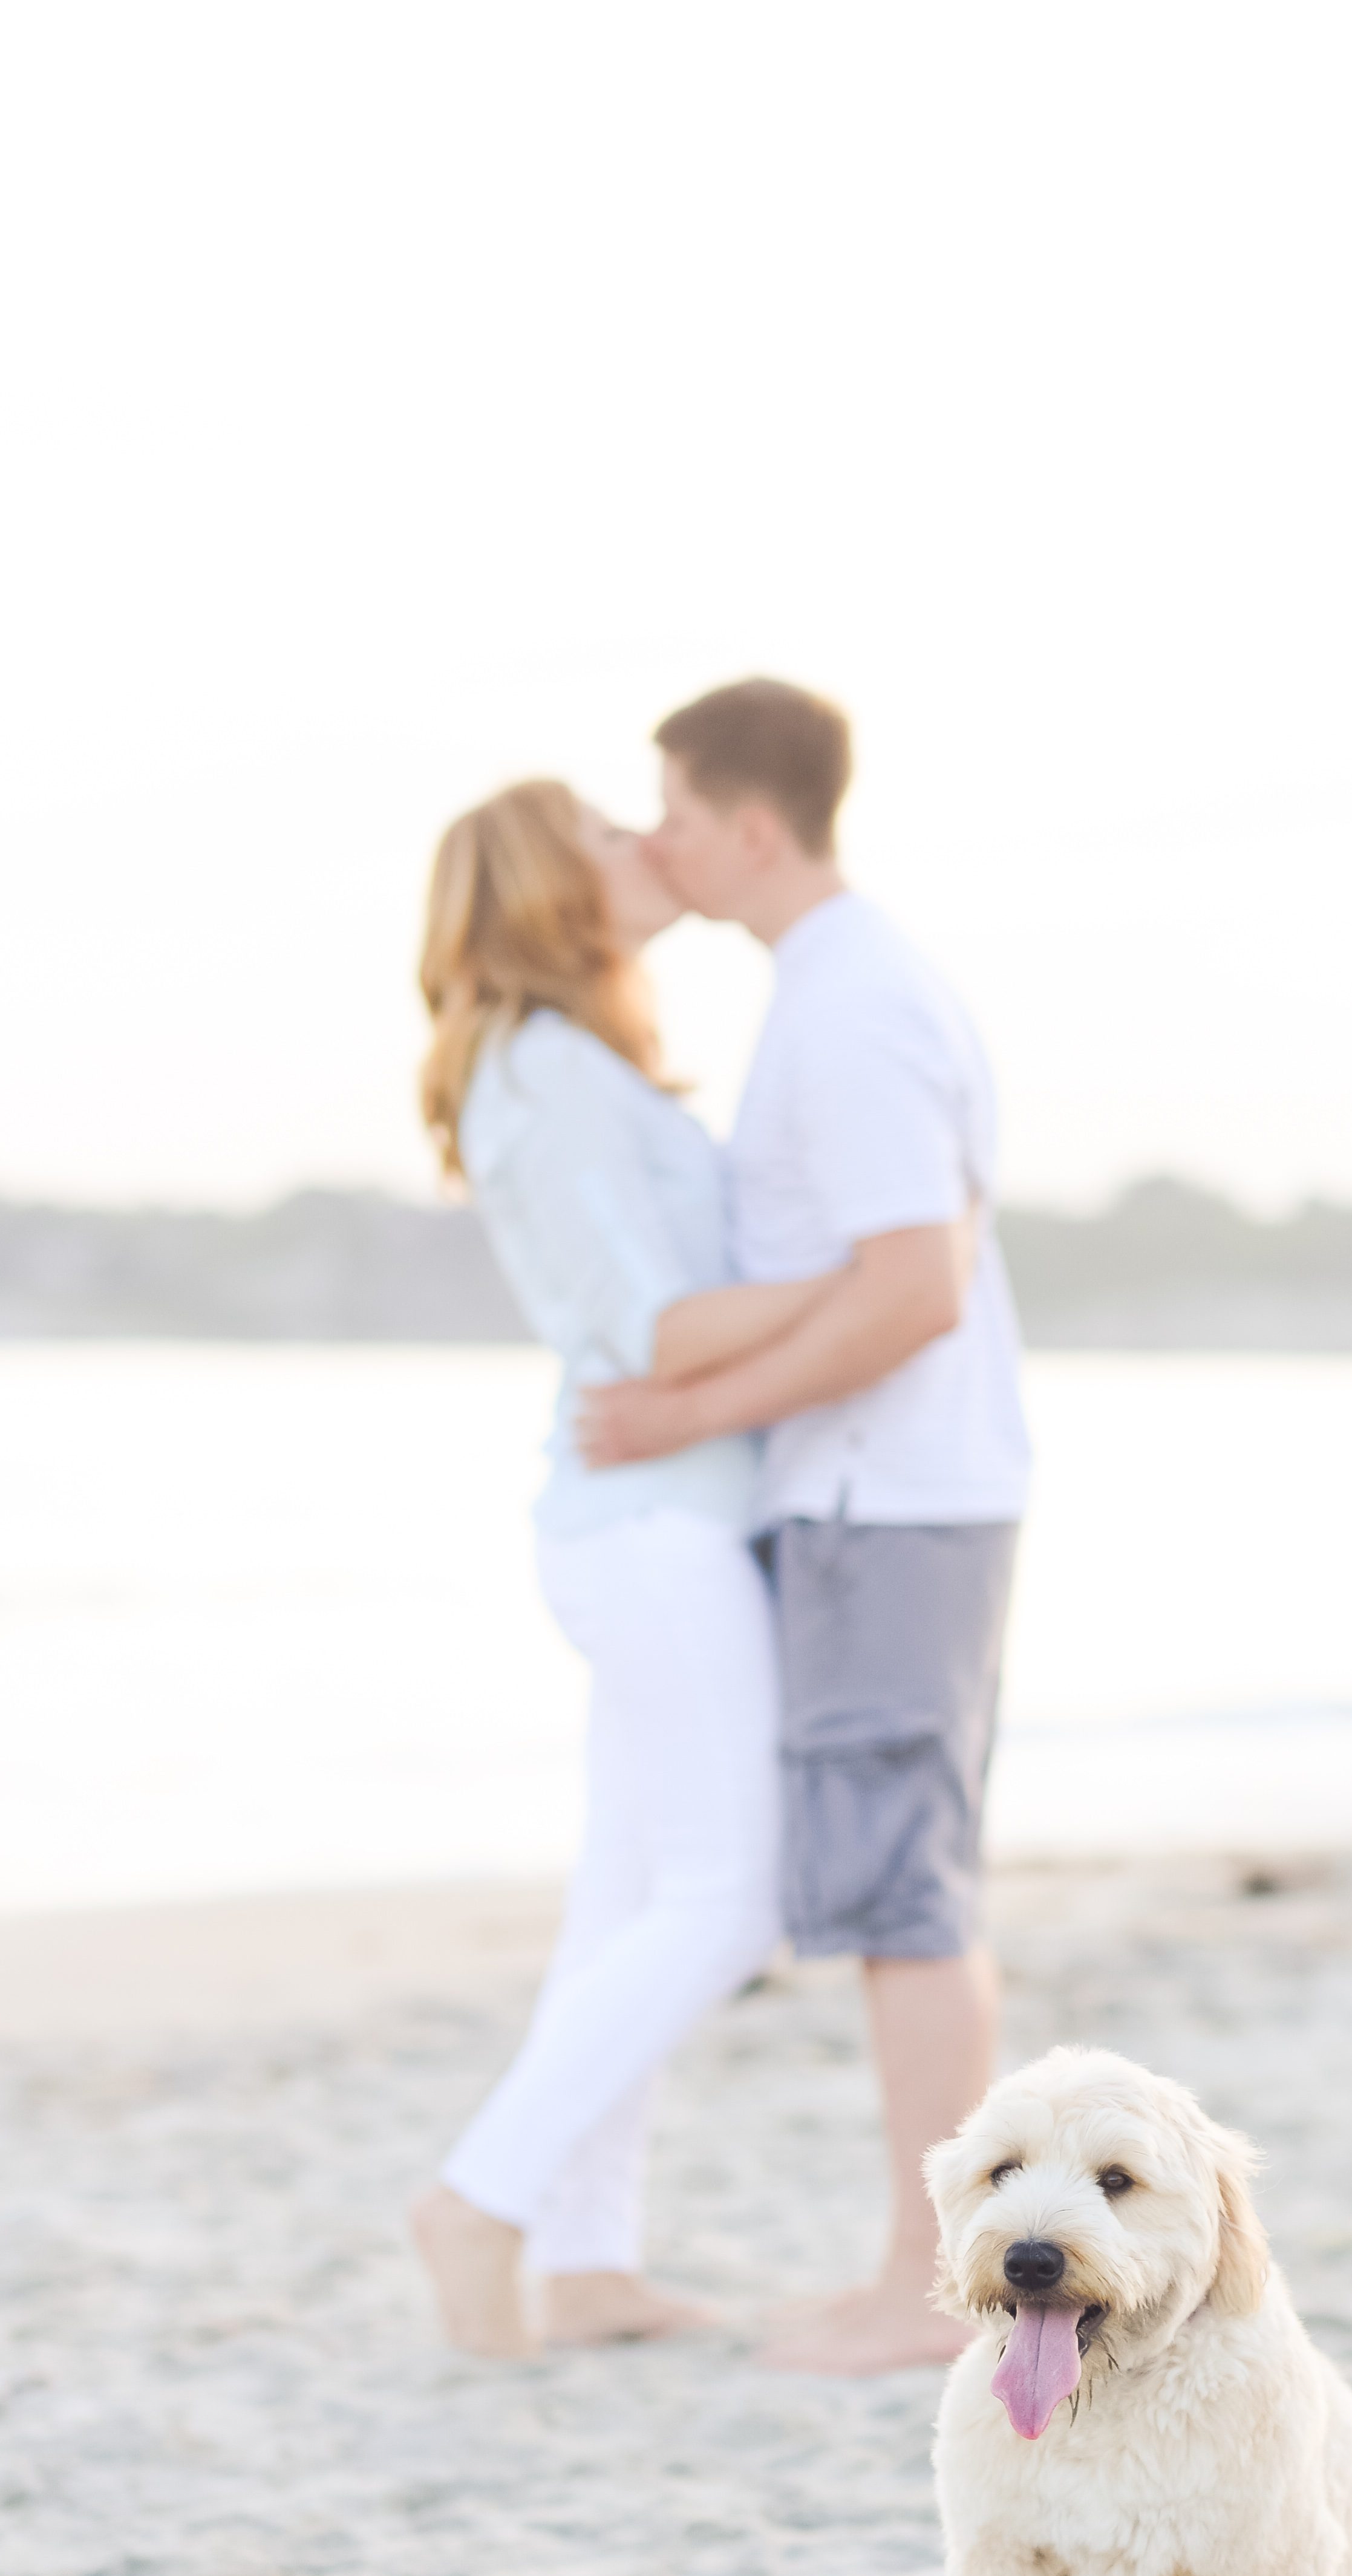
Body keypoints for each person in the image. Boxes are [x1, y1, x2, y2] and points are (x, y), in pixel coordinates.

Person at [578, 680, 1032, 2376]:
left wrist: (688, 1413)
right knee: (902, 1883)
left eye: (673, 816)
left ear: (749, 828)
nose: (654, 844)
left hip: (884, 1495)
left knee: (899, 1894)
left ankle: (926, 2289)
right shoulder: (845, 985)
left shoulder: (848, 1008)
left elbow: (912, 1288)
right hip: (891, 1493)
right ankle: (927, 2273)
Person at [406, 780, 845, 2358]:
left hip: (657, 1523)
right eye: (603, 834)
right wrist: (876, 1267)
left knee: (629, 1909)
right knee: (727, 1905)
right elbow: (657, 1331)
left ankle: (586, 2258)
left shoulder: (578, 1067)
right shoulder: (552, 1073)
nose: (636, 846)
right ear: (545, 885)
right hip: (648, 1532)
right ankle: (482, 2198)